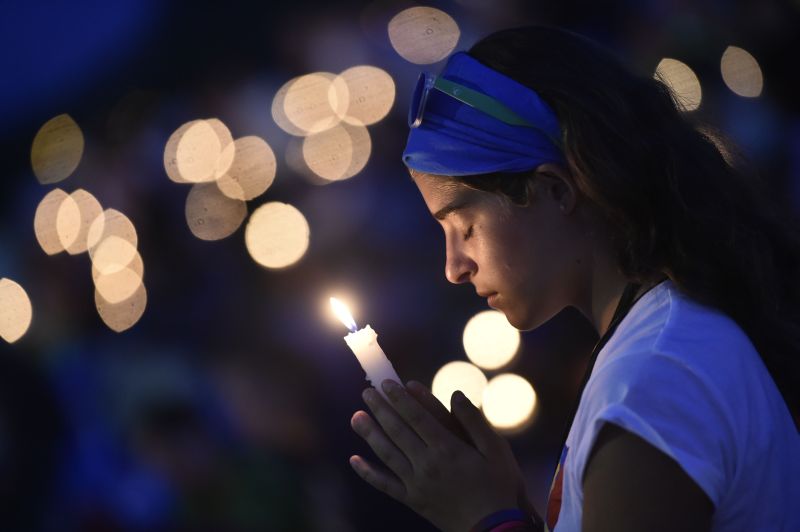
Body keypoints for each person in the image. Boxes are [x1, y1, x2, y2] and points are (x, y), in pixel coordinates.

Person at [348, 26, 800, 532]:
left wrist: (484, 520)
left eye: (464, 225)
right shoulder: (663, 341)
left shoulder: (653, 381)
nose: (453, 267)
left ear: (555, 190)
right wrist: (514, 508)